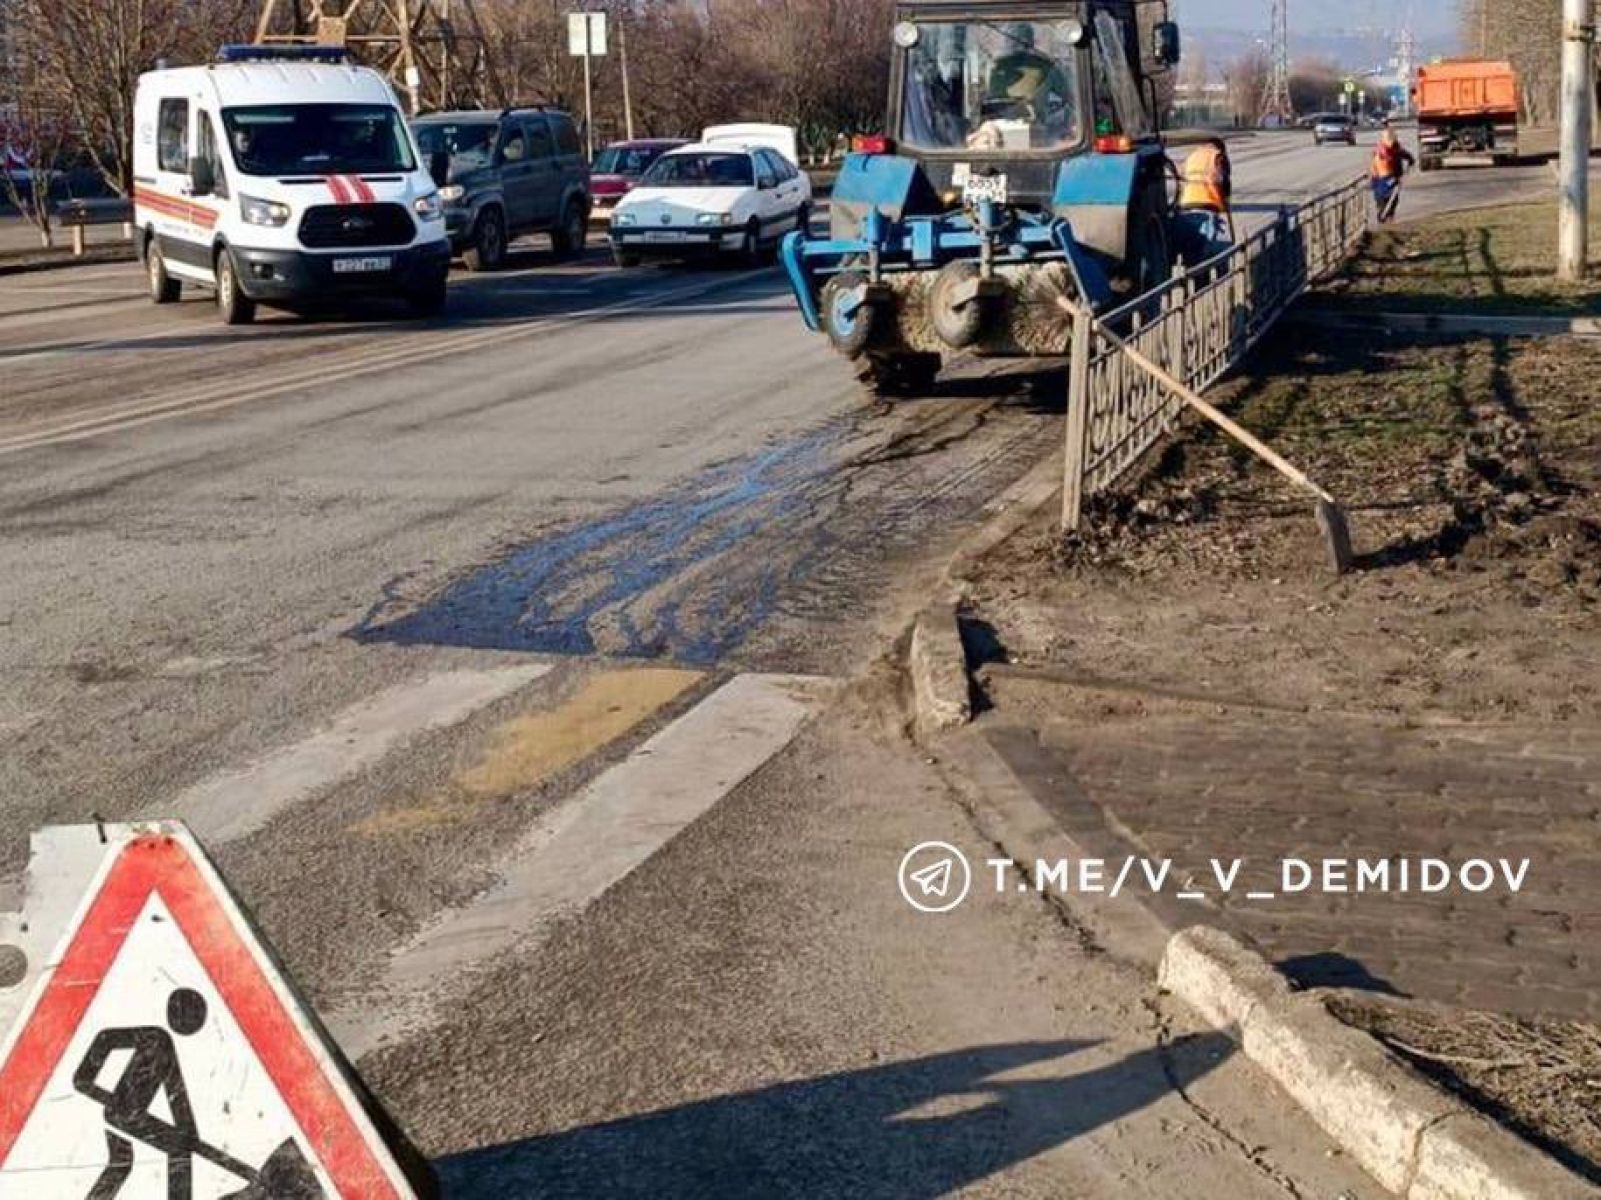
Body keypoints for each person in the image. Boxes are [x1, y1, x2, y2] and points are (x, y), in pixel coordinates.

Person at [1175, 137, 1234, 256]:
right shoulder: (1218, 156)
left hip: (1186, 204)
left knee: (1192, 248)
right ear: (1220, 148)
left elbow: (1181, 180)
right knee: (1208, 249)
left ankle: (1193, 271)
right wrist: (1224, 199)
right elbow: (1222, 181)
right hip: (1208, 203)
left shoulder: (1192, 157)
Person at [1370, 122, 1415, 223]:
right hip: (1382, 177)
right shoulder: (1381, 151)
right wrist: (1393, 179)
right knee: (1383, 197)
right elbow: (1383, 168)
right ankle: (1383, 215)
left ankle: (1388, 215)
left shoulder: (1394, 147)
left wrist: (1410, 159)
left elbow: (1402, 153)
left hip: (1387, 176)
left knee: (1392, 198)